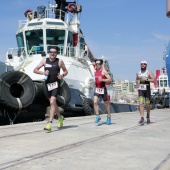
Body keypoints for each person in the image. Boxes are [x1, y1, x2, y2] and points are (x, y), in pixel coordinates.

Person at [33, 46, 68, 131]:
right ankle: (60, 117)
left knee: (52, 101)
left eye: (54, 52)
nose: (52, 54)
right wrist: (43, 72)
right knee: (53, 103)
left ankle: (50, 123)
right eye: (51, 52)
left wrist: (62, 75)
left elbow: (65, 71)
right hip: (47, 85)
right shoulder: (45, 60)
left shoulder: (59, 61)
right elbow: (35, 70)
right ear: (49, 52)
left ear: (56, 53)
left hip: (55, 84)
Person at [136, 60, 155, 125]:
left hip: (147, 90)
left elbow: (154, 80)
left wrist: (146, 79)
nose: (143, 65)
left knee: (147, 104)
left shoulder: (148, 72)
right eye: (141, 64)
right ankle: (142, 118)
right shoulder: (138, 73)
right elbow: (137, 79)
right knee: (141, 104)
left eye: (144, 64)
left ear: (146, 65)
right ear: (140, 65)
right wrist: (137, 82)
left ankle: (148, 116)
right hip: (141, 89)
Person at [93, 59, 112, 125]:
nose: (97, 65)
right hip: (97, 89)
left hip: (103, 89)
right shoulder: (95, 72)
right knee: (95, 102)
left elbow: (110, 79)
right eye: (96, 64)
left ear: (101, 65)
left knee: (106, 103)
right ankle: (97, 116)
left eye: (98, 64)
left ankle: (109, 116)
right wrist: (93, 82)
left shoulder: (104, 71)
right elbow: (97, 80)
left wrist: (102, 79)